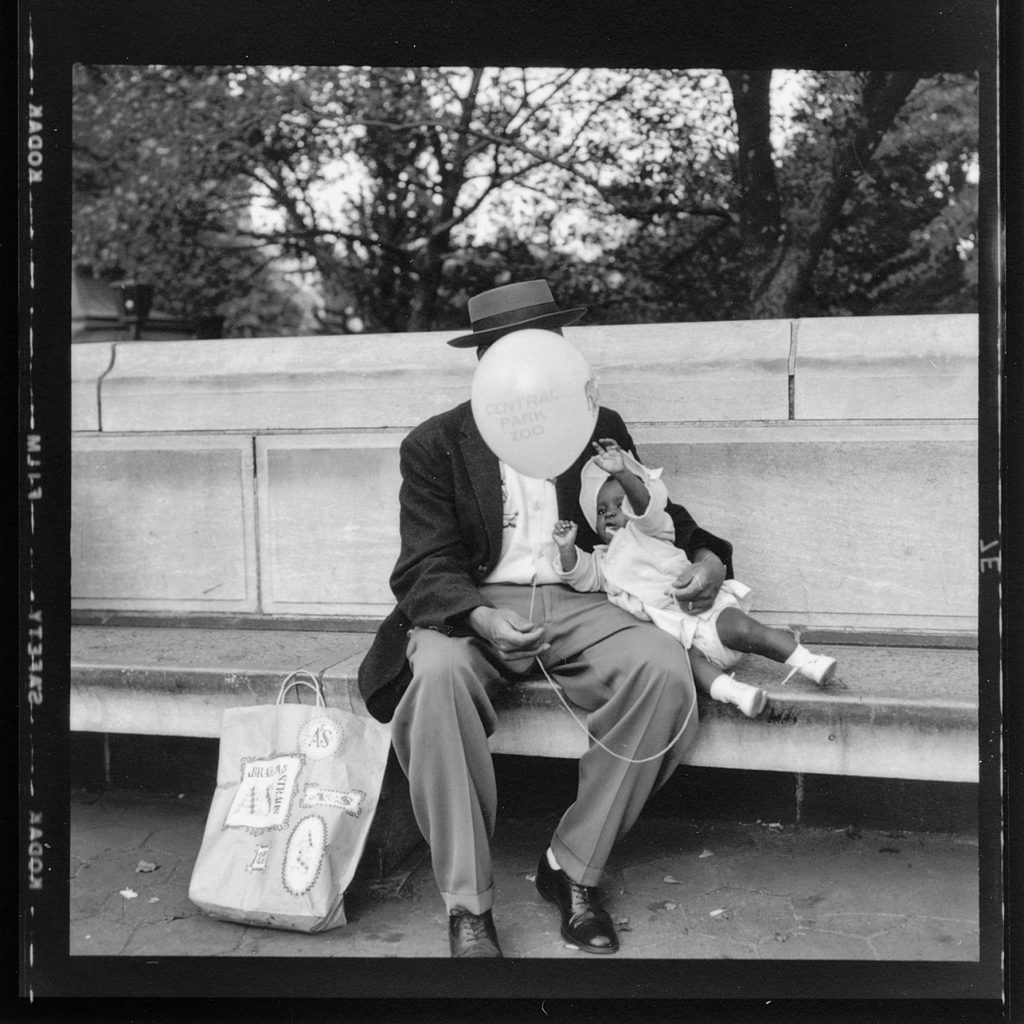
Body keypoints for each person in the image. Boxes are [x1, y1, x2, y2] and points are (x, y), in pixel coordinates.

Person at [357, 279, 733, 958]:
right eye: (515, 348)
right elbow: (425, 565)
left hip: (582, 599)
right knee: (436, 684)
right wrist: (481, 620)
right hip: (473, 610)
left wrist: (707, 559)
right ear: (488, 359)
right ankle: (468, 907)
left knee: (666, 673)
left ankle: (573, 867)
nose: (535, 360)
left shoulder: (597, 424)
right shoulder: (436, 444)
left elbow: (657, 517)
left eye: (546, 342)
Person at [552, 439, 837, 719]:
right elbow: (581, 575)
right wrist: (567, 549)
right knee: (691, 665)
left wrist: (623, 473)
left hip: (707, 613)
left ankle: (807, 662)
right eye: (601, 511)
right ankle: (736, 693)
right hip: (680, 637)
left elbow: (645, 509)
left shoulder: (652, 529)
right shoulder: (603, 561)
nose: (610, 512)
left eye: (619, 504)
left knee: (748, 631)